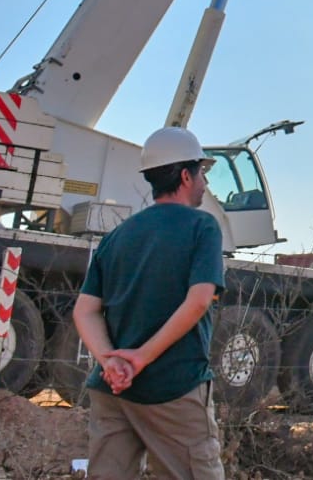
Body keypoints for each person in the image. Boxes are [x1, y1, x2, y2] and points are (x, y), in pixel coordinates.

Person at [73, 127, 227, 480]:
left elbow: (85, 309)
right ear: (187, 175)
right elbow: (199, 301)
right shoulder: (203, 227)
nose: (205, 182)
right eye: (203, 172)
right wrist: (141, 359)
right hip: (173, 387)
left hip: (112, 389)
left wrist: (111, 362)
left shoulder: (117, 236)